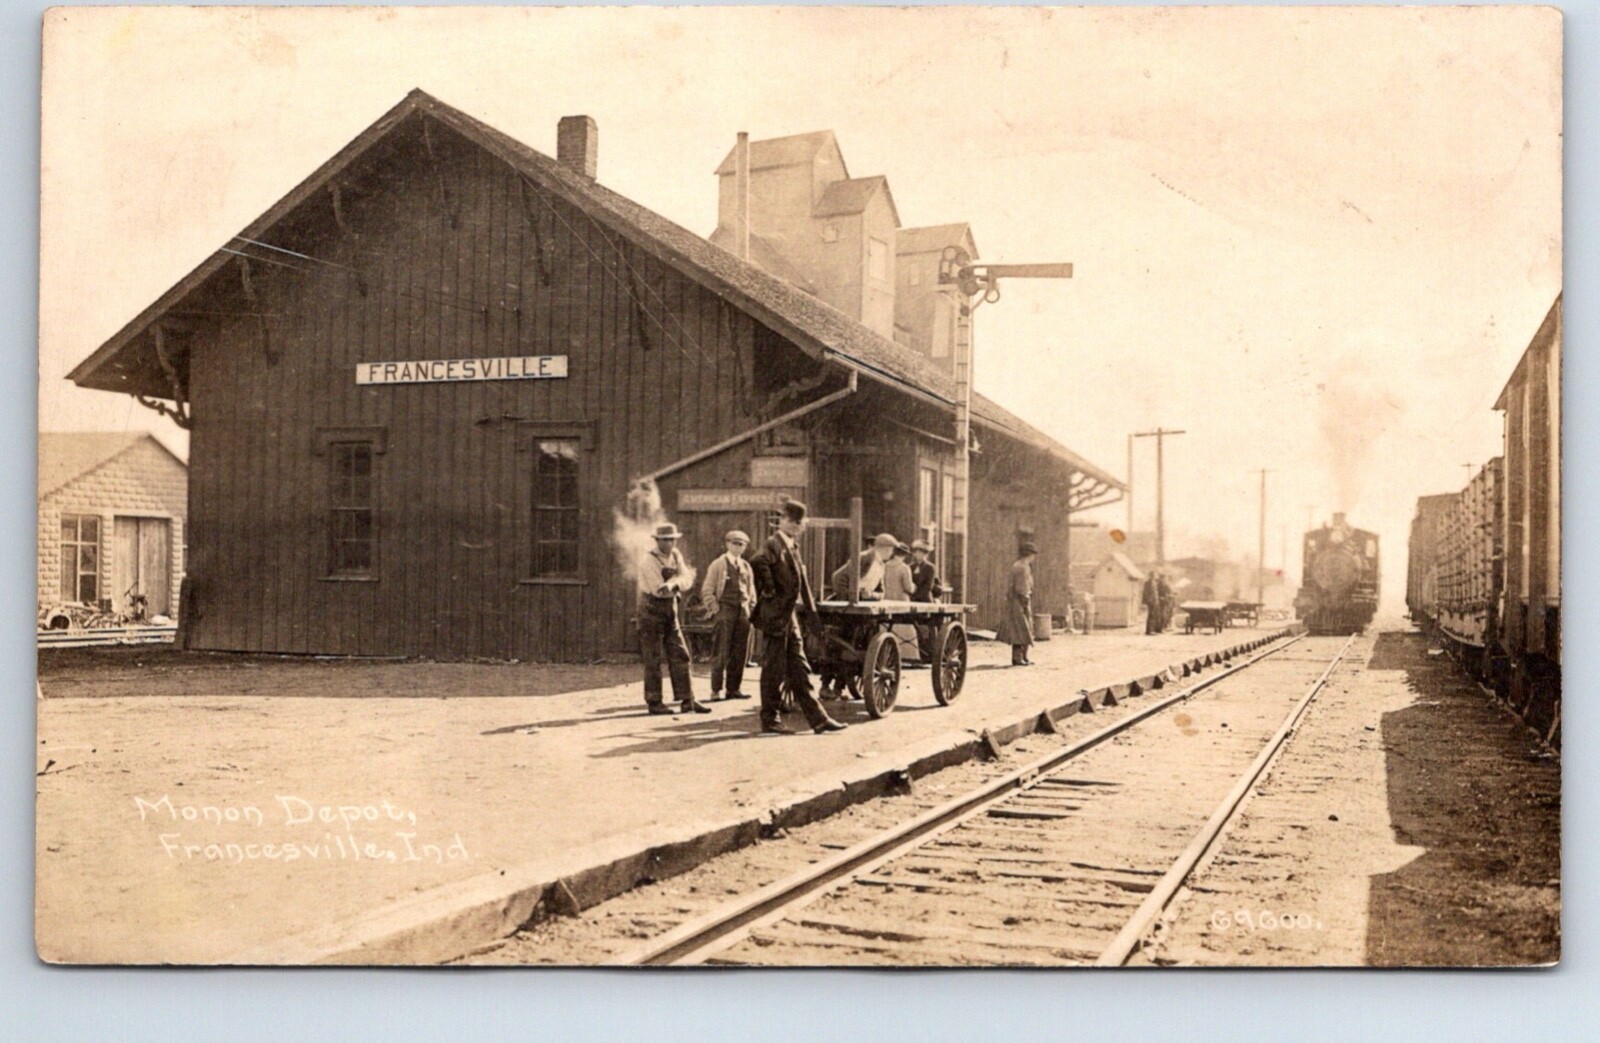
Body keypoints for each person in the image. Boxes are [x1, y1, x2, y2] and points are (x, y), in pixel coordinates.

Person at [750, 499, 847, 736]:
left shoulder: (790, 545)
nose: (800, 527)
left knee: (800, 668)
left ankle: (819, 719)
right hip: (777, 617)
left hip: (787, 616)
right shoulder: (774, 544)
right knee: (773, 669)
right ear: (792, 524)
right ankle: (770, 719)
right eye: (798, 523)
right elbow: (756, 562)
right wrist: (770, 592)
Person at [637, 522, 710, 715]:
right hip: (651, 611)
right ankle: (654, 703)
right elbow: (658, 591)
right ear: (657, 540)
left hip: (671, 611)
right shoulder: (648, 561)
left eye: (672, 540)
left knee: (681, 654)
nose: (669, 544)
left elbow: (687, 579)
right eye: (665, 540)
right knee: (653, 659)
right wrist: (676, 584)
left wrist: (673, 584)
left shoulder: (676, 555)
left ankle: (688, 700)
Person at [699, 530, 756, 702]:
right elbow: (707, 590)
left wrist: (751, 608)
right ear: (727, 544)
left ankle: (734, 689)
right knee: (721, 651)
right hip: (725, 610)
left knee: (740, 652)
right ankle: (716, 690)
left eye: (742, 545)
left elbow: (751, 590)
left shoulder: (746, 566)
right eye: (735, 544)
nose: (738, 547)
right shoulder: (718, 565)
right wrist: (716, 609)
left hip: (743, 612)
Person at [994, 542, 1038, 666]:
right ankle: (1018, 658)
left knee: (1026, 629)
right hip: (1019, 601)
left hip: (1021, 600)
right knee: (1020, 630)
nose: (1034, 557)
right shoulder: (1021, 567)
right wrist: (1024, 601)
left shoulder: (1024, 566)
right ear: (1029, 554)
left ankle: (1024, 656)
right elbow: (1021, 588)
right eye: (1033, 554)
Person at [828, 532, 896, 601]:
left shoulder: (881, 566)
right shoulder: (864, 558)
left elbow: (881, 593)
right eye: (891, 550)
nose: (892, 553)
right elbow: (838, 577)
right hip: (848, 604)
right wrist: (848, 598)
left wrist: (871, 595)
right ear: (885, 548)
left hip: (862, 604)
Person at [908, 539, 945, 663]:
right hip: (912, 599)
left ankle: (931, 653)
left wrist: (916, 598)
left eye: (922, 552)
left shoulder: (930, 568)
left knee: (928, 626)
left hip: (925, 599)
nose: (918, 555)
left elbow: (928, 586)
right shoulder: (910, 567)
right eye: (916, 552)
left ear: (925, 554)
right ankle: (917, 653)